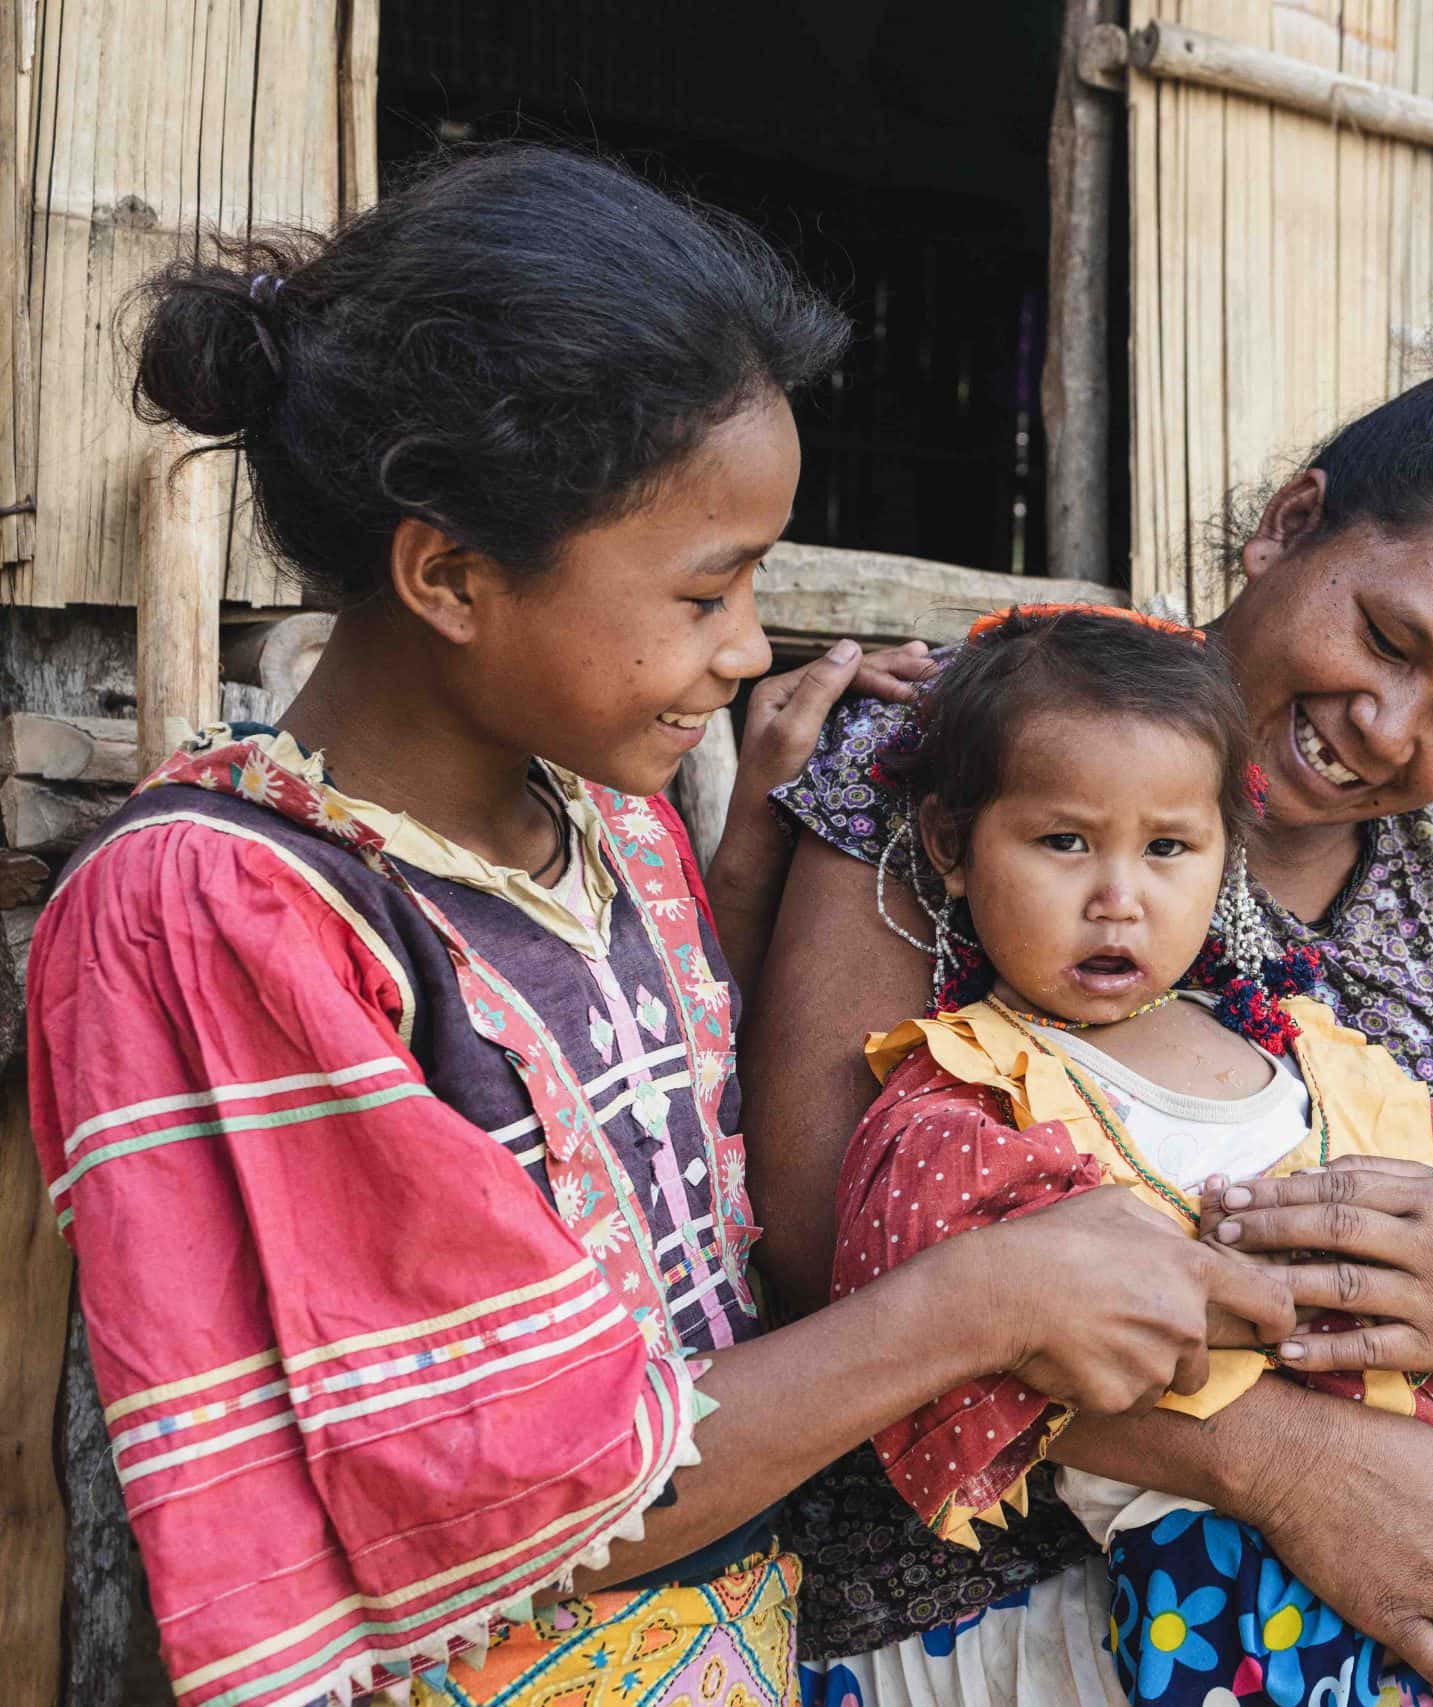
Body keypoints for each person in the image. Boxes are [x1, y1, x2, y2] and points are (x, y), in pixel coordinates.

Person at [26, 146, 1302, 1707]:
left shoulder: (609, 823)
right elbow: (511, 1496)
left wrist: (750, 856)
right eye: (708, 593)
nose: (748, 646)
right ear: (451, 572)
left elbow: (674, 1215)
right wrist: (986, 1294)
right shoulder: (221, 909)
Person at [751, 253, 1433, 1704]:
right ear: (1289, 525)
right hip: (976, 1596)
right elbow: (817, 1238)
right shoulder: (975, 749)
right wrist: (1282, 1457)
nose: (1386, 727)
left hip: (1380, 1578)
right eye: (1387, 636)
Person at [833, 604, 1433, 1707]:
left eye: (1168, 848)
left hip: (1395, 1502)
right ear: (952, 848)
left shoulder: (1296, 1051)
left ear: (1223, 860)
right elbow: (945, 1331)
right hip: (1200, 1559)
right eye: (1064, 842)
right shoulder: (969, 1097)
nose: (1119, 897)